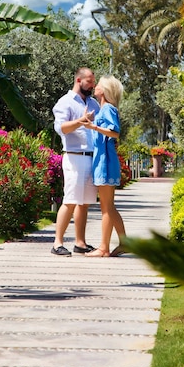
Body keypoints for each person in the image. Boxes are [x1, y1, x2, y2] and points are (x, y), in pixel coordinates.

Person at [51, 67, 100, 256]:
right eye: (89, 81)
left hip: (91, 157)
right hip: (74, 157)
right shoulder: (65, 102)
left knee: (84, 203)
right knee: (70, 200)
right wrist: (81, 120)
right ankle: (57, 243)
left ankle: (80, 243)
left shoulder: (94, 103)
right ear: (79, 80)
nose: (92, 84)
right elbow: (61, 128)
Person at [84, 75, 127, 258]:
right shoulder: (103, 109)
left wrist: (93, 127)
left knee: (106, 208)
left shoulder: (108, 108)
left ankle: (104, 248)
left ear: (105, 90)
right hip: (103, 160)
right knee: (109, 206)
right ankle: (125, 243)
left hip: (105, 161)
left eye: (99, 85)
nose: (95, 87)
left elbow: (115, 132)